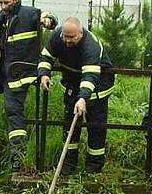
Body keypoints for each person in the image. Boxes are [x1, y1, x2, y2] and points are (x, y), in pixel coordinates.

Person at [0, 0, 56, 173]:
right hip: (4, 69)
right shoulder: (4, 18)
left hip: (21, 73)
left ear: (16, 0)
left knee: (13, 110)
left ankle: (17, 157)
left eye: (7, 3)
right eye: (1, 3)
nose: (3, 6)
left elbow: (51, 20)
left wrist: (47, 20)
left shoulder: (30, 14)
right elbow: (4, 37)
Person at [37, 17, 115, 175]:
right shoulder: (58, 36)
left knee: (96, 127)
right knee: (69, 127)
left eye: (72, 37)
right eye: (65, 36)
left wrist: (83, 98)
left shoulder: (90, 45)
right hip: (72, 84)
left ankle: (93, 168)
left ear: (81, 33)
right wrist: (44, 74)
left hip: (97, 88)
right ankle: (68, 164)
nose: (67, 40)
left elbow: (90, 77)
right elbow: (45, 57)